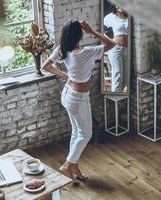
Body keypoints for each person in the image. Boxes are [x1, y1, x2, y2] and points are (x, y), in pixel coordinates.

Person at [41, 20, 115, 180]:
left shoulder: (62, 50)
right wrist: (92, 31)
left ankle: (74, 168)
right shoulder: (86, 52)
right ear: (79, 35)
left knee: (77, 132)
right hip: (77, 99)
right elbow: (111, 44)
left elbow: (45, 66)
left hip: (68, 94)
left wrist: (66, 75)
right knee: (86, 134)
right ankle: (68, 164)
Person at [104, 4, 129, 92]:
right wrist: (109, 41)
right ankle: (114, 100)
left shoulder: (130, 16)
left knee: (126, 78)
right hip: (115, 48)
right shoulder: (111, 17)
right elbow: (101, 29)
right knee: (117, 74)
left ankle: (117, 99)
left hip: (127, 50)